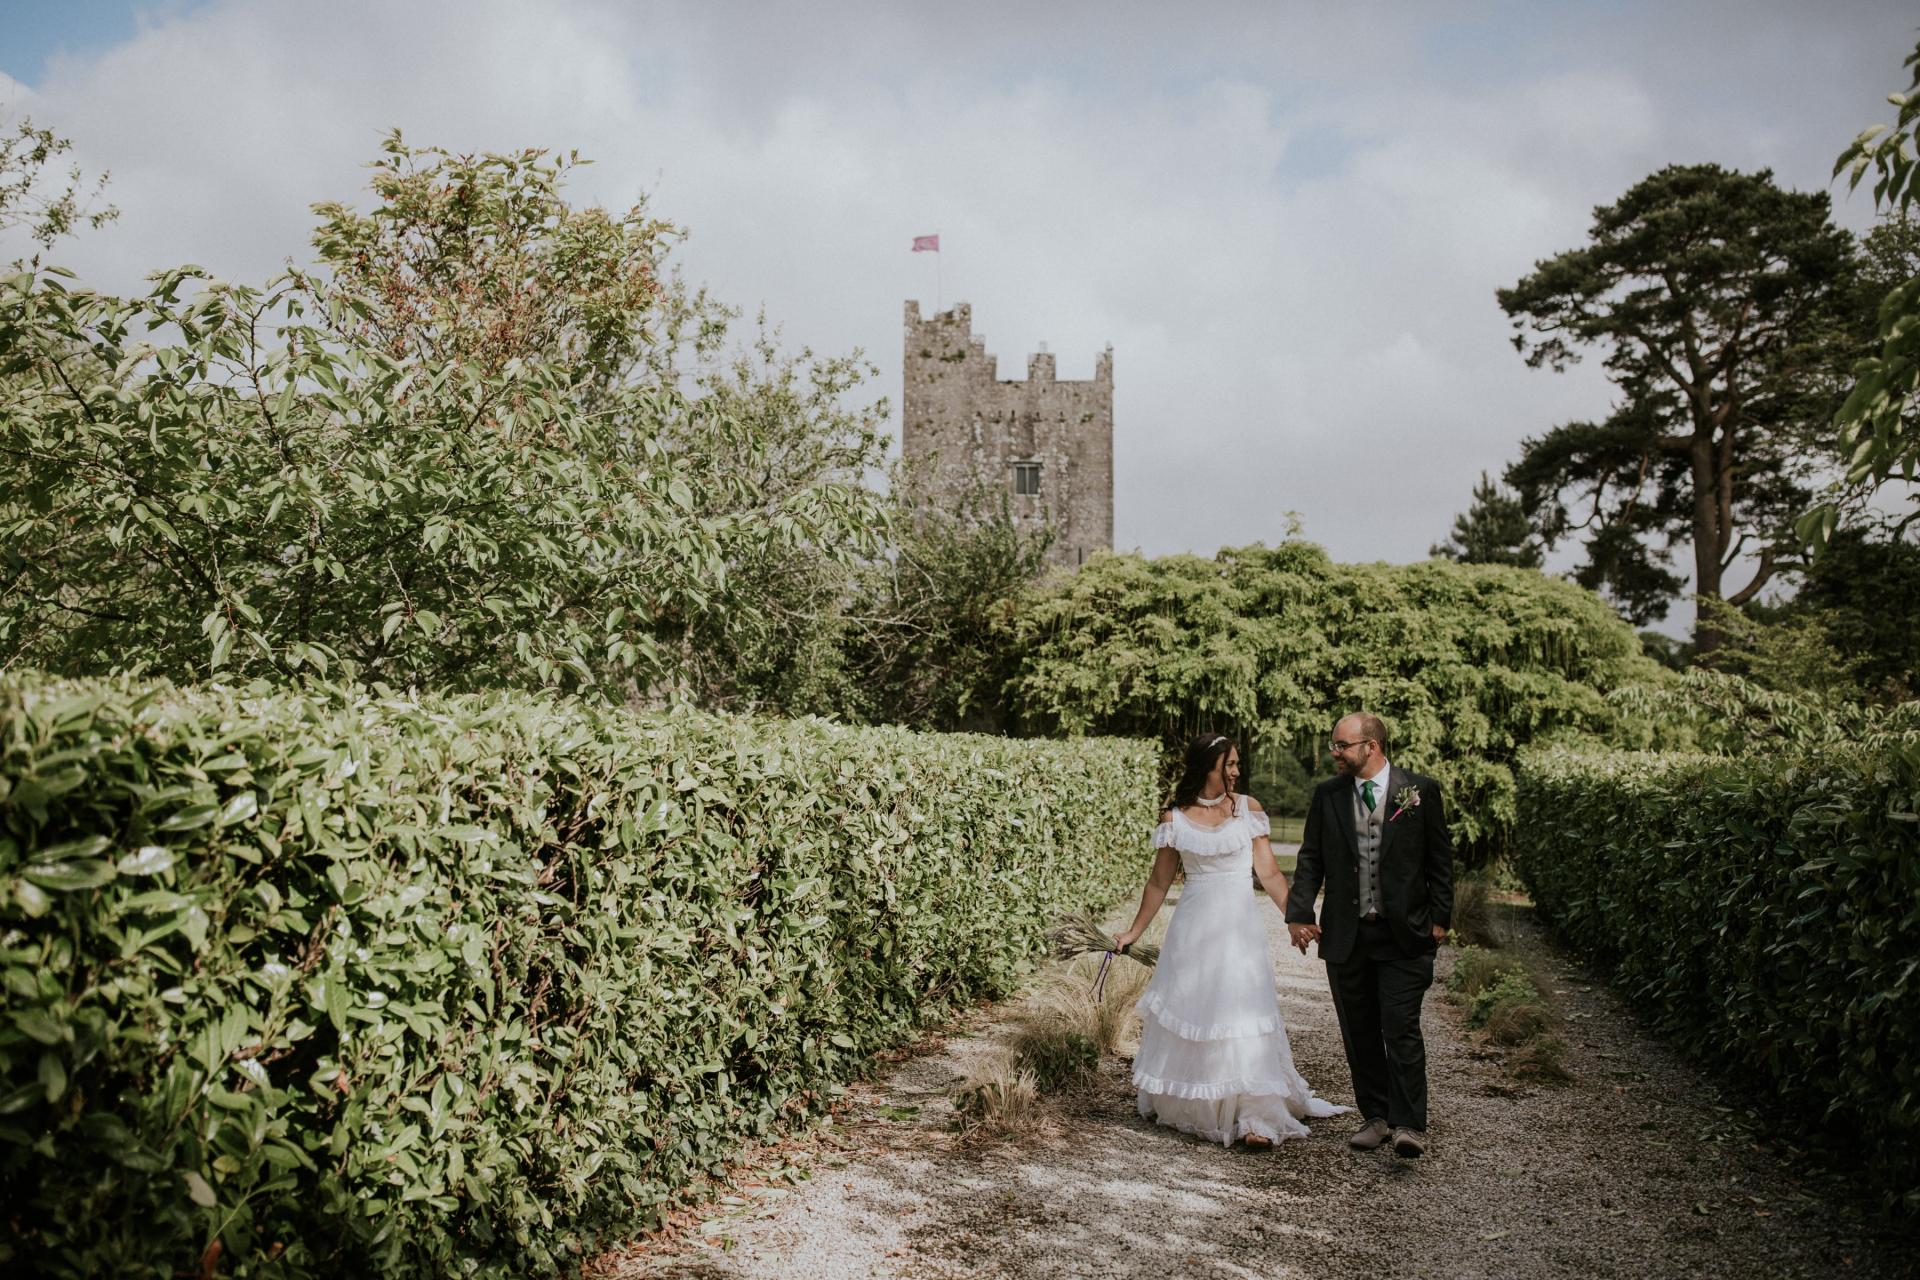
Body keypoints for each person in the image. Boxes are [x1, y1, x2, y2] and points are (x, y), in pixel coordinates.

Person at [1114, 733, 1348, 1148]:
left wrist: (1297, 919)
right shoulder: (1175, 819)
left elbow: (1271, 874)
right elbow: (1157, 882)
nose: (1238, 771)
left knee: (1242, 1010)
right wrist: (1133, 932)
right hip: (1193, 930)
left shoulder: (1248, 810)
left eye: (1238, 763)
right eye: (1231, 764)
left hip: (1239, 930)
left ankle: (1255, 1116)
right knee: (1198, 1009)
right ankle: (1195, 1104)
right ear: (1210, 767)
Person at [1285, 712, 1453, 1159]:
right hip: (1347, 935)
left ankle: (1410, 1126)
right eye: (1334, 745)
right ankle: (1376, 1118)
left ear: (1371, 747)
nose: (1334, 753)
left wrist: (1440, 919)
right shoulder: (1328, 795)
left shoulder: (1419, 791)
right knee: (1358, 1032)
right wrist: (1297, 914)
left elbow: (1440, 859)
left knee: (1400, 1029)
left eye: (1341, 745)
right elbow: (1311, 858)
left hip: (1405, 936)